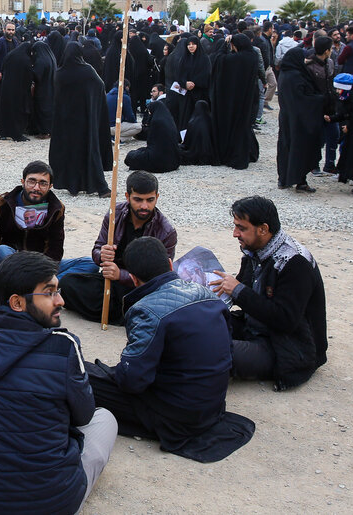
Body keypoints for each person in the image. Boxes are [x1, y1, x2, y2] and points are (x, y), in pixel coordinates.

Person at [0, 251, 117, 515]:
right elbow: (84, 416)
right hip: (55, 503)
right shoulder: (64, 346)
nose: (61, 301)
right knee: (105, 418)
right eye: (50, 292)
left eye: (58, 290)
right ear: (17, 302)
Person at [86, 237, 255, 462]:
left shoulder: (146, 310)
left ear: (134, 279)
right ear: (169, 264)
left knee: (80, 376)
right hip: (212, 407)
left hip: (177, 416)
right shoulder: (208, 296)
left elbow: (132, 382)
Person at [210, 196, 328, 390]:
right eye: (235, 226)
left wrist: (238, 290)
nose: (234, 234)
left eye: (241, 228)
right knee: (195, 328)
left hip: (286, 345)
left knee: (209, 351)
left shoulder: (295, 263)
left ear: (263, 229)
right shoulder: (254, 249)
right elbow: (246, 288)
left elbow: (285, 320)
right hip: (254, 327)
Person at [60, 171, 178, 325]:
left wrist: (120, 275)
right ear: (127, 196)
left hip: (140, 289)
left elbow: (160, 278)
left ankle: (122, 313)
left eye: (150, 200)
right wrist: (102, 255)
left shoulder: (166, 231)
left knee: (153, 304)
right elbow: (97, 249)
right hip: (110, 283)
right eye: (138, 200)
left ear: (157, 197)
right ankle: (123, 314)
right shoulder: (114, 214)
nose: (144, 206)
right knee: (68, 283)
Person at [0, 160, 89, 277]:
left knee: (90, 263)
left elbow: (56, 246)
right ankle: (41, 284)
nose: (36, 188)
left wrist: (44, 268)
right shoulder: (2, 202)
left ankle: (39, 282)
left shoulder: (56, 208)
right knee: (1, 250)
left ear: (50, 186)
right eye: (32, 182)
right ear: (23, 182)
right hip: (13, 260)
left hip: (40, 263)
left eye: (43, 183)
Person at [49, 43, 112, 197]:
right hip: (84, 120)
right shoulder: (87, 71)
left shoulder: (60, 73)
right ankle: (100, 186)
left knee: (70, 152)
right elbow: (100, 85)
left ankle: (72, 184)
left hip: (65, 121)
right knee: (89, 150)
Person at [276, 38, 331, 192]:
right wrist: (320, 99)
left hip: (287, 117)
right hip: (299, 120)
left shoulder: (285, 74)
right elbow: (302, 99)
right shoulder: (296, 76)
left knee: (286, 148)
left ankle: (284, 179)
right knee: (299, 150)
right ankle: (300, 180)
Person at [209, 32, 261, 170]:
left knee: (230, 127)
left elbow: (217, 59)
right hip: (247, 100)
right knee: (243, 127)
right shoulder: (252, 57)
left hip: (230, 100)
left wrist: (224, 45)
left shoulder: (233, 59)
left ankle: (229, 155)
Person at [124, 99, 180, 173]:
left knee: (131, 156)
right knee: (140, 150)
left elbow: (151, 143)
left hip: (158, 160)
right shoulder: (169, 120)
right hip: (173, 160)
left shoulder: (156, 122)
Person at [0, 42, 34, 141]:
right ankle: (17, 134)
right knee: (17, 111)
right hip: (19, 89)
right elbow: (28, 76)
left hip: (6, 86)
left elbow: (3, 68)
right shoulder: (26, 59)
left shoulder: (10, 55)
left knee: (5, 109)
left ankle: (3, 132)